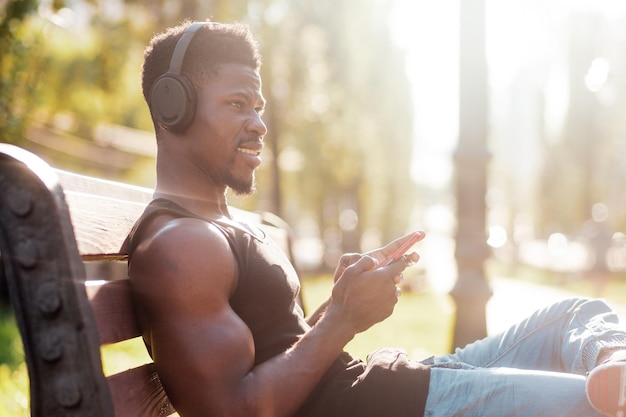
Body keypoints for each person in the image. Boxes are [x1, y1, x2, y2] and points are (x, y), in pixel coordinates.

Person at [123, 20, 626, 417]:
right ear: (174, 107)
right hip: (382, 403)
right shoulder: (180, 246)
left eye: (259, 107)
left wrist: (338, 302)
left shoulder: (223, 226)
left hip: (386, 384)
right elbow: (236, 410)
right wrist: (341, 320)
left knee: (575, 317)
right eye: (238, 105)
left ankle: (616, 368)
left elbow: (284, 354)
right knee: (595, 407)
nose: (258, 124)